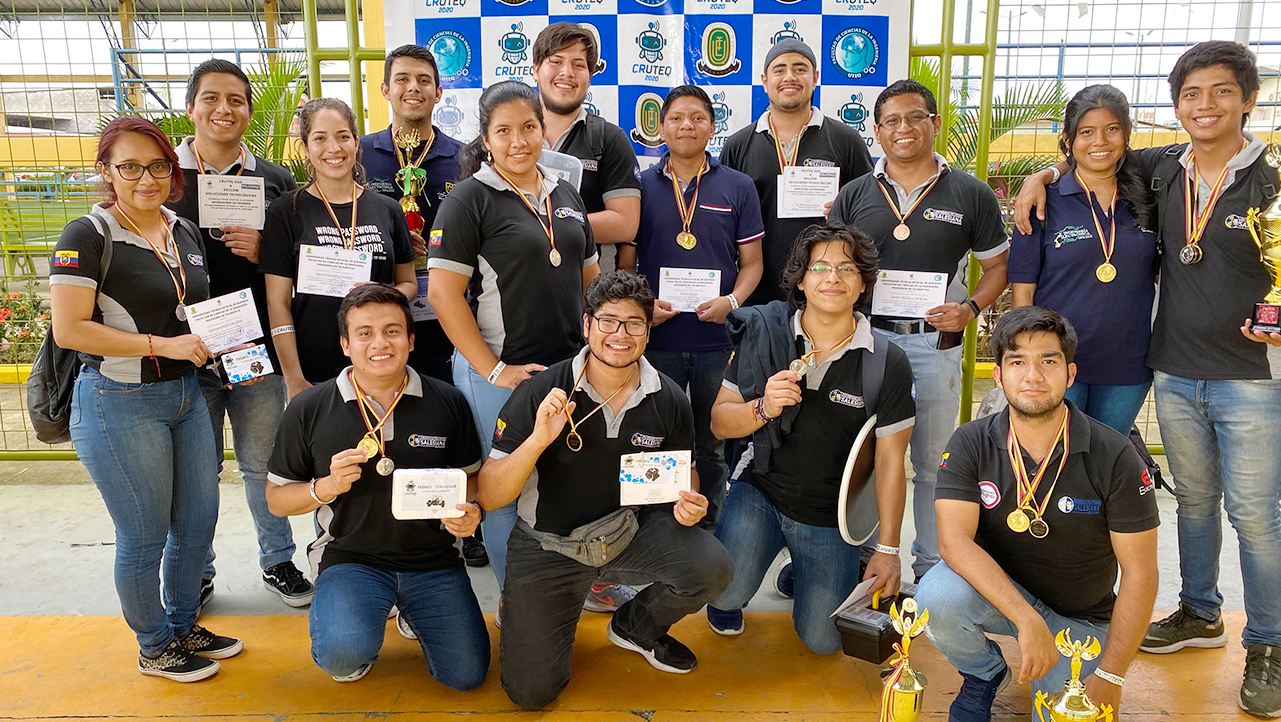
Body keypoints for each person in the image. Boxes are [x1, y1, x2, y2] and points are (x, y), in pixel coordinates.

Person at [1014, 41, 1281, 716]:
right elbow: (1087, 154)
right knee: (1191, 501)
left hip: (1250, 373)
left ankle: (1269, 645)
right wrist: (1037, 177)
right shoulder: (1162, 169)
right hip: (1174, 368)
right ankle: (1197, 611)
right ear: (1175, 107)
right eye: (1191, 95)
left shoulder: (1273, 176)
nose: (1204, 106)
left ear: (1247, 98)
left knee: (1254, 514)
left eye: (1220, 92)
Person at [478, 271, 733, 709]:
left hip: (628, 536)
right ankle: (528, 606)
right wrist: (539, 438)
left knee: (712, 567)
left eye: (634, 323)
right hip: (548, 548)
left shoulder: (668, 397)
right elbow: (489, 495)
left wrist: (689, 501)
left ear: (648, 332)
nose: (621, 334)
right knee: (530, 694)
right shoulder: (541, 391)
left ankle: (635, 625)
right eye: (608, 321)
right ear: (586, 325)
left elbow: (682, 474)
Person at [51, 115, 241, 682]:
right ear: (105, 171)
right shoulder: (88, 234)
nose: (145, 179)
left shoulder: (180, 229)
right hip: (118, 400)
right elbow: (70, 329)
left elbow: (197, 310)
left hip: (185, 394)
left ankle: (183, 624)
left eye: (157, 166)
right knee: (145, 532)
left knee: (199, 519)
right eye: (129, 167)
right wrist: (164, 343)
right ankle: (154, 644)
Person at [915, 306, 1159, 721]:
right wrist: (1027, 621)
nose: (1033, 375)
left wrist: (1112, 676)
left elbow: (1141, 573)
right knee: (938, 597)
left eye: (1048, 361)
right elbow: (953, 541)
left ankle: (1067, 665)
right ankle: (985, 673)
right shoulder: (970, 441)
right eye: (1017, 361)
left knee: (1075, 714)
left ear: (1070, 373)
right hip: (1001, 598)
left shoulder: (1114, 453)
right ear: (999, 375)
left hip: (1079, 620)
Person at [828, 79, 1009, 581]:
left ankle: (931, 568)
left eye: (914, 118)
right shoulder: (855, 195)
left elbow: (998, 268)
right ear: (877, 132)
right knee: (858, 458)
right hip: (864, 343)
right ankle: (861, 559)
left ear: (934, 123)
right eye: (891, 121)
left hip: (934, 345)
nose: (903, 128)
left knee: (932, 464)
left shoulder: (970, 193)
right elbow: (831, 268)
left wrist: (970, 308)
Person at [705, 221, 914, 654]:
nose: (833, 278)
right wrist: (761, 406)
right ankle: (748, 571)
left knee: (824, 641)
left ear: (863, 285)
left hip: (829, 514)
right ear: (801, 280)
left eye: (847, 269)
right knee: (722, 592)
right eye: (820, 267)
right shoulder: (765, 333)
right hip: (762, 490)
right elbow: (720, 423)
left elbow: (891, 462)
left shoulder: (887, 361)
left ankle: (805, 568)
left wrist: (889, 549)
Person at [264, 284, 489, 686]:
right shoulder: (309, 408)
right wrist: (326, 486)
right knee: (341, 655)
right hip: (352, 560)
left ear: (411, 339)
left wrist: (471, 512)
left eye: (392, 331)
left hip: (433, 562)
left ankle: (413, 613)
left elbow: (470, 479)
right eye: (364, 333)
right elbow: (277, 501)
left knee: (467, 676)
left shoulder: (447, 401)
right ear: (345, 344)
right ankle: (358, 619)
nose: (380, 343)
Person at [427, 81, 600, 600]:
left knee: (564, 482)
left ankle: (567, 583)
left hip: (566, 372)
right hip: (501, 374)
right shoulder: (468, 198)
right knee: (503, 490)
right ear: (486, 138)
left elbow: (589, 281)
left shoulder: (564, 193)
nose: (519, 140)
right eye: (503, 131)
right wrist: (493, 370)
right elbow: (443, 295)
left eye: (528, 127)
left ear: (543, 129)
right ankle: (514, 600)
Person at [167, 59, 311, 612]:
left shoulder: (274, 179)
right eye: (211, 99)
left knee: (261, 462)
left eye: (235, 100)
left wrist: (266, 251)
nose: (223, 110)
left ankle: (277, 561)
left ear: (249, 110)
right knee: (196, 471)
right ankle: (196, 572)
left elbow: (301, 259)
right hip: (185, 352)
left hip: (253, 350)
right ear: (191, 107)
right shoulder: (166, 173)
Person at [624, 85, 764, 528]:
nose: (687, 125)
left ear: (712, 125)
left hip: (716, 342)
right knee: (652, 440)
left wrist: (732, 300)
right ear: (660, 126)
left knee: (712, 446)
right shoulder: (639, 186)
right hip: (656, 339)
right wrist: (643, 309)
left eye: (697, 117)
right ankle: (657, 530)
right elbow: (626, 265)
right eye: (677, 118)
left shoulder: (738, 185)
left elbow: (753, 263)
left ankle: (710, 532)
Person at [1008, 85, 1158, 435]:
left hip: (1128, 364)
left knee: (1106, 460)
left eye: (1111, 129)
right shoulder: (1042, 201)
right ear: (1068, 139)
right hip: (1056, 361)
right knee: (1055, 462)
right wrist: (1025, 360)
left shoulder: (1150, 196)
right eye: (1086, 132)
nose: (1099, 142)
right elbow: (1022, 295)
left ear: (1127, 133)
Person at [260, 97, 418, 400]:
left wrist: (388, 293)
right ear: (306, 147)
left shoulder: (387, 209)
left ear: (356, 143)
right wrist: (294, 379)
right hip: (313, 374)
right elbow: (277, 302)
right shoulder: (286, 212)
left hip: (380, 369)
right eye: (320, 138)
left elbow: (408, 283)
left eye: (343, 137)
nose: (333, 148)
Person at [719, 39, 874, 306]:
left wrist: (844, 209)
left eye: (800, 68)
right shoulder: (738, 145)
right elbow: (725, 222)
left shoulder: (846, 141)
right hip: (756, 291)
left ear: (814, 78)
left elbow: (870, 210)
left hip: (827, 288)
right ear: (764, 81)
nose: (789, 77)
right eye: (779, 70)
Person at [360, 44, 463, 385]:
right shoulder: (357, 154)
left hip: (445, 314)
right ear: (385, 89)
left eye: (424, 80)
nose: (413, 87)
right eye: (402, 78)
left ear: (439, 92)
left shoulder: (464, 159)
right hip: (374, 314)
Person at [533, 22, 641, 274]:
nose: (567, 72)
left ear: (590, 76)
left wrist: (549, 224)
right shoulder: (507, 136)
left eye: (578, 64)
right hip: (517, 289)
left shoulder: (608, 138)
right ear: (536, 69)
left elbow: (625, 224)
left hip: (588, 293)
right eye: (556, 61)